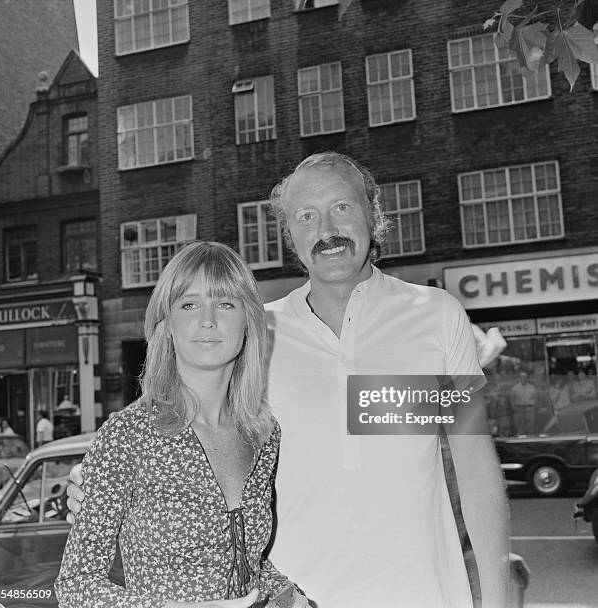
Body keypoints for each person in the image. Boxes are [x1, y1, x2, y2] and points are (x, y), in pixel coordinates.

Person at [67, 152, 509, 607]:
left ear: (373, 215)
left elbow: (475, 464)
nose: (326, 231)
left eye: (342, 207)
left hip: (423, 595)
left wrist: (498, 598)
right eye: (306, 216)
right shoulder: (258, 334)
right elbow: (191, 425)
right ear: (290, 235)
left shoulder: (437, 316)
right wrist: (98, 477)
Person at [56, 242, 306, 608]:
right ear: (166, 324)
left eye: (225, 303)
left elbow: (244, 563)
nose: (208, 320)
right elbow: (76, 586)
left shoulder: (263, 434)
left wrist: (286, 594)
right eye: (189, 305)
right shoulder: (129, 435)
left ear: (248, 321)